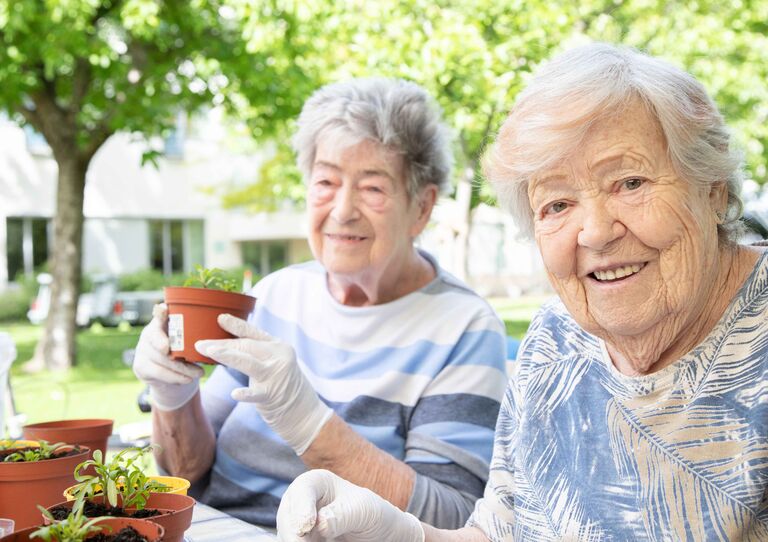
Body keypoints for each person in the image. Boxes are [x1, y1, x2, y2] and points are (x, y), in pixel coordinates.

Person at [275, 43, 768, 541]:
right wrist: (404, 535)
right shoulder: (555, 340)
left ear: (713, 189)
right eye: (557, 204)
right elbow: (499, 532)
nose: (594, 232)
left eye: (630, 182)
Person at [132, 77, 508, 529]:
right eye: (326, 181)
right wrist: (173, 395)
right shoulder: (277, 293)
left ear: (422, 208)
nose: (343, 209)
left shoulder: (463, 326)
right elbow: (185, 475)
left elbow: (452, 518)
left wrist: (309, 424)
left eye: (372, 188)